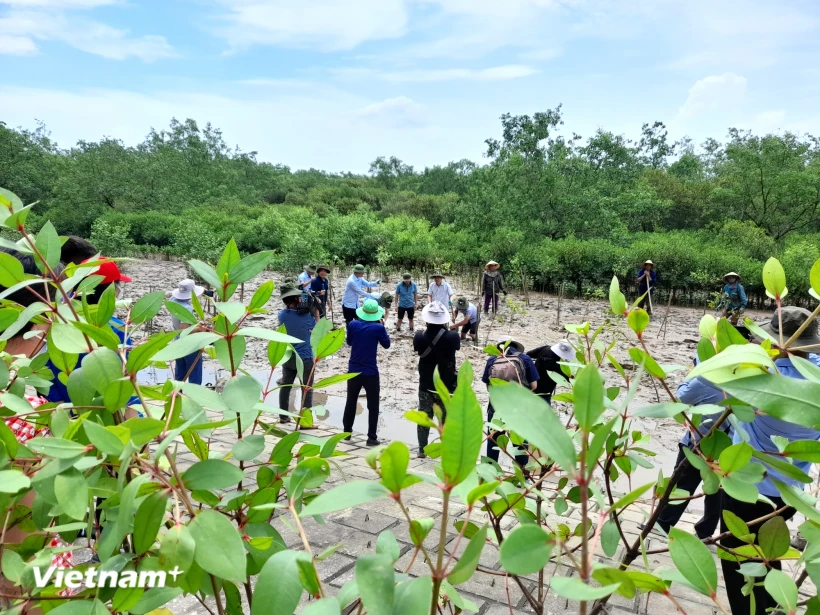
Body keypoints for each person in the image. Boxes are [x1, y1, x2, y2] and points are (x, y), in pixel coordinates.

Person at [718, 307, 820, 615]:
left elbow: (727, 396)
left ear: (773, 341)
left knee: (737, 558)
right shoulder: (815, 374)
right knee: (768, 550)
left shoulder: (758, 377)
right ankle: (777, 605)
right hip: (790, 492)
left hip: (746, 488)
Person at [641, 358, 728, 540]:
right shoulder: (747, 382)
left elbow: (679, 400)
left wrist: (693, 372)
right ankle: (706, 532)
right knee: (717, 489)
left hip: (697, 440)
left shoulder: (705, 378)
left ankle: (663, 523)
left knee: (681, 483)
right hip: (727, 445)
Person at [45, 258, 133, 404]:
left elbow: (46, 373)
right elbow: (125, 386)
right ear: (111, 291)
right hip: (107, 414)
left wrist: (60, 408)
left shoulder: (56, 324)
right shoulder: (117, 330)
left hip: (68, 411)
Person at [481, 336, 539, 467]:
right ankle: (522, 475)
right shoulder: (525, 359)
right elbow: (534, 386)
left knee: (493, 439)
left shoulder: (492, 359)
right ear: (516, 346)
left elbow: (489, 386)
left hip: (497, 406)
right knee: (520, 441)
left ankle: (491, 472)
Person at [413, 301, 460, 458]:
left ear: (427, 319)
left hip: (425, 385)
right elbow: (456, 347)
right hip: (445, 387)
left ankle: (422, 449)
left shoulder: (419, 337)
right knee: (446, 419)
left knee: (424, 417)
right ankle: (446, 450)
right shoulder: (453, 337)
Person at [343, 299, 390, 446]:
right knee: (373, 405)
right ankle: (371, 437)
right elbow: (387, 345)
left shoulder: (353, 324)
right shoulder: (378, 328)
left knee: (351, 401)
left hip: (354, 370)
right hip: (370, 371)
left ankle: (347, 432)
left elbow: (349, 342)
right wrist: (383, 326)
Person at [277, 283, 317, 427]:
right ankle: (305, 422)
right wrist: (315, 312)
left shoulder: (281, 315)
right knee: (306, 389)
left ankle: (283, 416)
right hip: (305, 357)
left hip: (288, 356)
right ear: (297, 298)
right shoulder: (307, 316)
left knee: (285, 386)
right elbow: (316, 330)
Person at [169, 279, 205, 384]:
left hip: (178, 342)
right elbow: (185, 329)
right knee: (195, 377)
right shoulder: (186, 308)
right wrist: (200, 329)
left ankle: (177, 397)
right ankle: (193, 398)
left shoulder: (173, 301)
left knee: (180, 376)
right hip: (190, 346)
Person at [525, 340, 575, 405]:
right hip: (545, 394)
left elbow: (528, 354)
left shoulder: (545, 349)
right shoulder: (560, 366)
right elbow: (570, 379)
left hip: (531, 385)